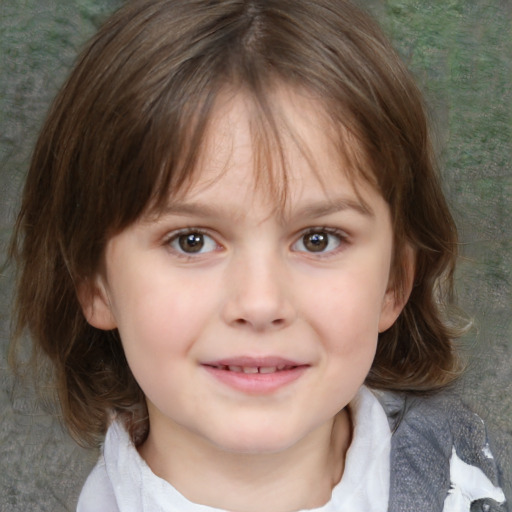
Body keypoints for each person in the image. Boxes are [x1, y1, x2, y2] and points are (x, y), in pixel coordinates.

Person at [8, 0, 507, 510]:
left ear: (395, 283)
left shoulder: (468, 469)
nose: (261, 302)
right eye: (192, 241)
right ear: (96, 283)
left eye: (318, 238)